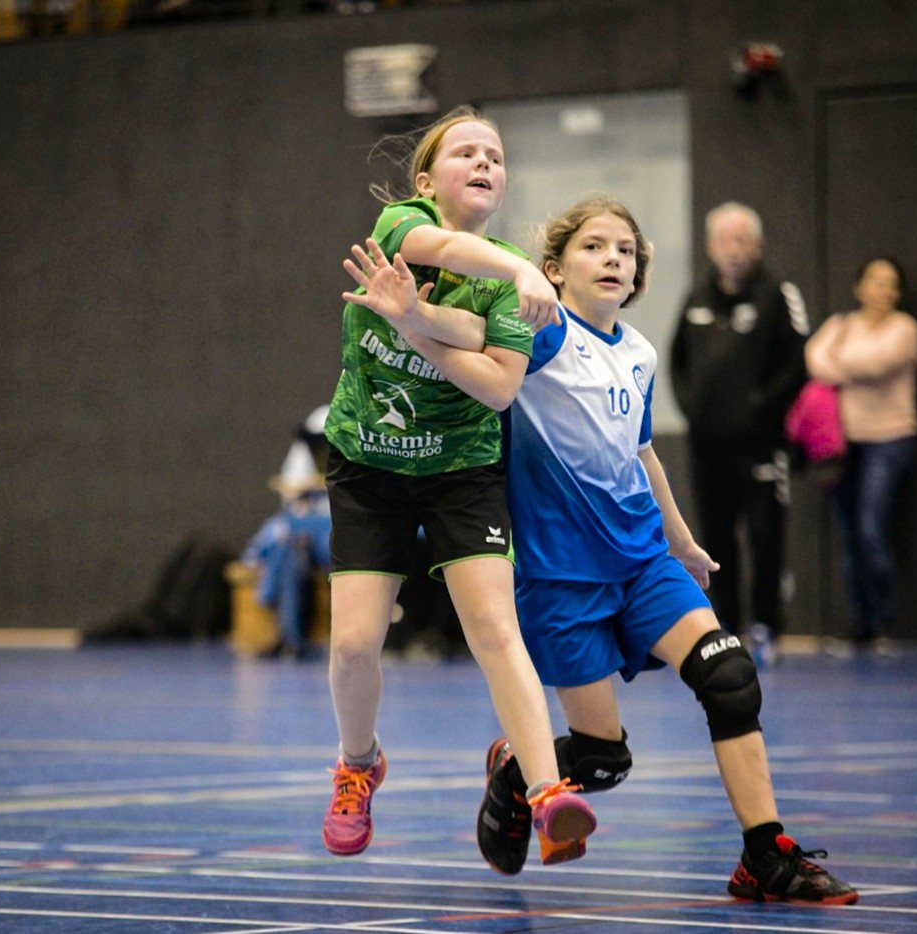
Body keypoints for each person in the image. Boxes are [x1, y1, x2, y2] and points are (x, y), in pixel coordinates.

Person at [345, 196, 857, 902]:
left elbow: (641, 453)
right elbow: (468, 331)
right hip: (561, 580)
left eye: (625, 250)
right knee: (601, 760)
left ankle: (764, 854)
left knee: (730, 677)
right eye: (593, 246)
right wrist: (414, 314)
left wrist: (681, 540)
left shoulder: (640, 353)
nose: (613, 258)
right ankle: (515, 775)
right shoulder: (541, 331)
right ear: (552, 269)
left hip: (643, 562)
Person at [321, 106, 594, 866]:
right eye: (465, 152)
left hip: (461, 471)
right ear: (425, 180)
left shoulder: (507, 283)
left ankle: (545, 791)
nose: (483, 163)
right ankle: (358, 764)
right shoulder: (402, 227)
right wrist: (513, 276)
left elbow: (499, 388)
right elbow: (439, 249)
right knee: (353, 646)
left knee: (496, 631)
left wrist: (415, 324)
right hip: (369, 464)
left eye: (495, 157)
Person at [669, 203, 808, 666]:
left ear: (758, 245)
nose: (732, 249)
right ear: (710, 246)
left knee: (766, 536)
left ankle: (766, 625)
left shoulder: (778, 295)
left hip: (761, 447)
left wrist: (759, 411)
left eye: (741, 239)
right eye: (724, 240)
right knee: (715, 540)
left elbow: (798, 364)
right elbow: (677, 362)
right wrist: (695, 410)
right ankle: (725, 625)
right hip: (708, 448)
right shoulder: (696, 298)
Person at [805, 257, 917, 652]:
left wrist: (839, 363)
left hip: (890, 439)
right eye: (876, 281)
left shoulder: (905, 328)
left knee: (872, 526)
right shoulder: (841, 325)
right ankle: (861, 624)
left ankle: (884, 621)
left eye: (891, 284)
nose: (883, 290)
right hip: (844, 444)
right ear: (859, 287)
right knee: (851, 533)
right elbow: (814, 358)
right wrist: (841, 365)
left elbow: (878, 364)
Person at [240, 406, 334, 660]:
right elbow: (291, 498)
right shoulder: (303, 452)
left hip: (342, 534)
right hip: (310, 537)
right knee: (287, 548)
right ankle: (292, 638)